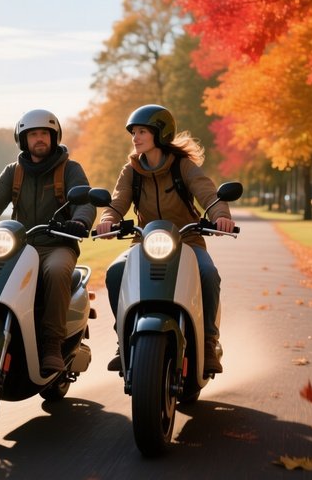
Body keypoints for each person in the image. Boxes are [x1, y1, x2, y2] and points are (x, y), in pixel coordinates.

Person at [95, 104, 236, 377]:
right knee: (115, 272)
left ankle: (207, 342)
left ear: (160, 134)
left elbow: (207, 193)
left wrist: (221, 215)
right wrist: (108, 219)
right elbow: (118, 200)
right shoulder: (131, 170)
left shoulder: (182, 166)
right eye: (133, 132)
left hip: (188, 240)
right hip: (145, 242)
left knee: (208, 274)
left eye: (142, 132)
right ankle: (122, 337)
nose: (135, 137)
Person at [0, 109, 96, 376]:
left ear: (54, 137)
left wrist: (79, 222)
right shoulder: (14, 171)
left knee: (55, 271)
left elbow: (85, 201)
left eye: (44, 133)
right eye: (33, 134)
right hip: (19, 248)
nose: (39, 139)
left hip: (57, 245)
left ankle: (52, 345)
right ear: (23, 139)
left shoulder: (70, 169)